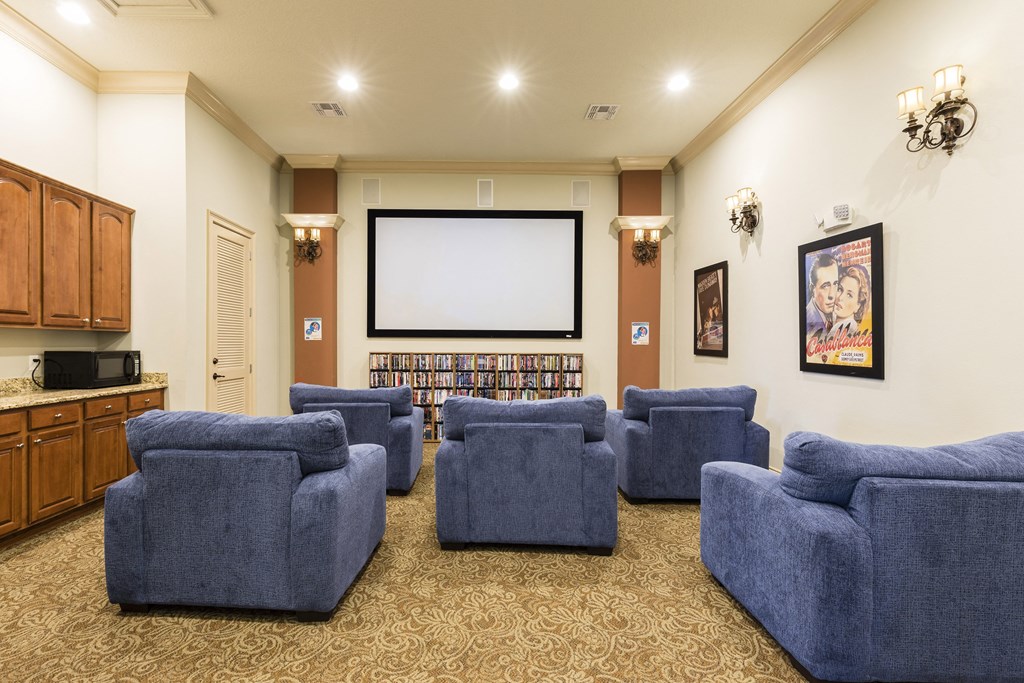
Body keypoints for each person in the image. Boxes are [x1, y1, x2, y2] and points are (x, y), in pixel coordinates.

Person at [830, 264, 870, 338]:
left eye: (849, 295)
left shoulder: (846, 328)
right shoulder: (834, 326)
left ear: (858, 306)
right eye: (840, 289)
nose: (840, 297)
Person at [805, 253, 838, 336]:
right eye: (825, 286)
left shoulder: (838, 314)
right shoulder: (808, 321)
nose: (832, 295)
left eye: (835, 284)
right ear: (812, 289)